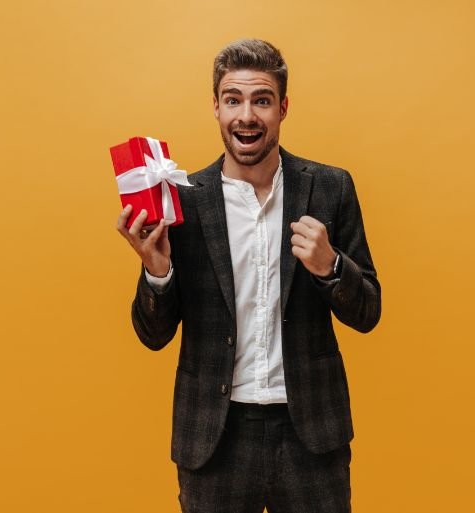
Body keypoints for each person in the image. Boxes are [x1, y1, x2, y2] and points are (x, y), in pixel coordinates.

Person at [116, 38, 381, 513]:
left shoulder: (331, 187)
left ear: (282, 107)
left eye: (261, 101)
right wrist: (157, 272)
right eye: (233, 100)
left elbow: (368, 312)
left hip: (311, 435)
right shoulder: (184, 200)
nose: (247, 116)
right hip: (215, 437)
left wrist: (330, 267)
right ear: (215, 107)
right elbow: (153, 336)